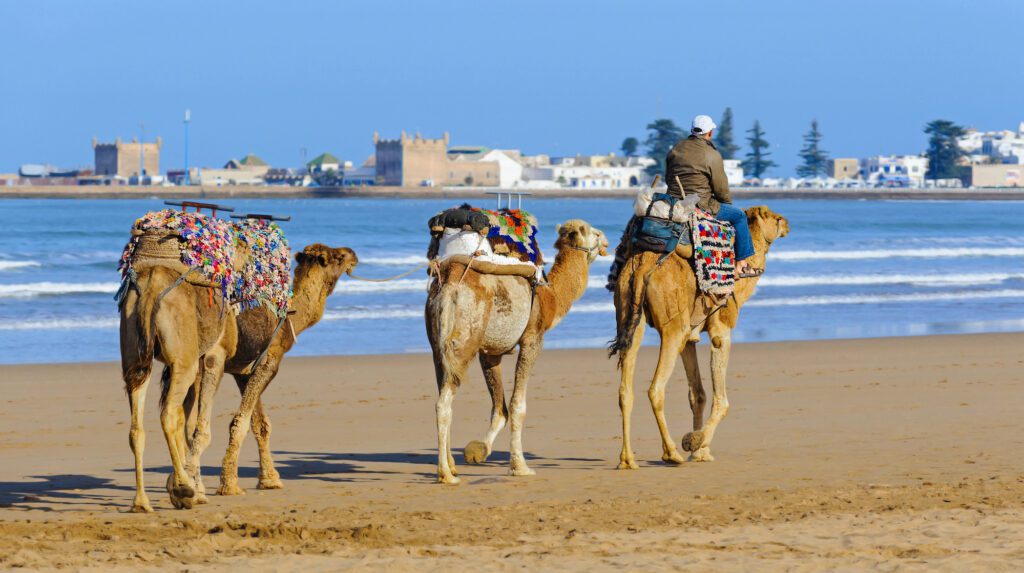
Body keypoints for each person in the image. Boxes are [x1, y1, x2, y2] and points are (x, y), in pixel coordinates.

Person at [665, 114, 762, 277]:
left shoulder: (675, 149)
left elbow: (669, 177)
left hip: (674, 203)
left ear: (692, 130)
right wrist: (727, 204)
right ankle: (741, 264)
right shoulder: (711, 154)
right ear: (710, 133)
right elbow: (721, 187)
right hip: (701, 205)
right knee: (738, 216)